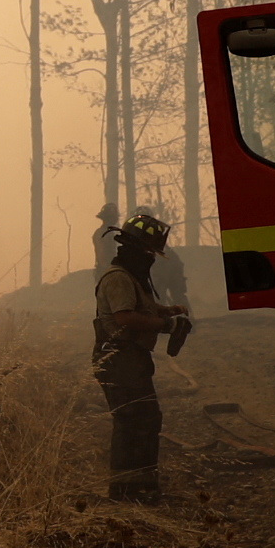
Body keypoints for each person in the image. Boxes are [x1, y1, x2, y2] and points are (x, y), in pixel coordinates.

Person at [89, 209, 189, 502]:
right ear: (136, 249)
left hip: (130, 360)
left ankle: (141, 486)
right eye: (149, 251)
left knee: (145, 420)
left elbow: (139, 307)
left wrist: (167, 311)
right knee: (132, 421)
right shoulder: (119, 278)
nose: (152, 258)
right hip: (119, 360)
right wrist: (165, 325)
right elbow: (125, 317)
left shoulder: (129, 277)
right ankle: (125, 491)